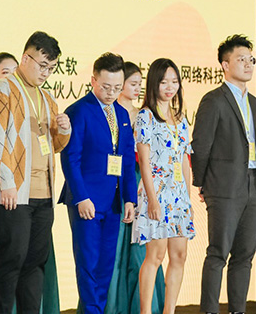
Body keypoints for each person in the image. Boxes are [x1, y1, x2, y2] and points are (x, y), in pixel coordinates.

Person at [0, 31, 71, 314]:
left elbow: (54, 146)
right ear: (25, 58)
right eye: (42, 65)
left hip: (43, 195)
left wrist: (65, 130)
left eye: (51, 68)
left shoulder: (47, 98)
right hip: (15, 194)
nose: (45, 73)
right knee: (10, 263)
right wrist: (6, 183)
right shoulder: (2, 89)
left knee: (35, 264)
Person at [60, 52, 138, 314]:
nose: (111, 93)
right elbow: (71, 159)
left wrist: (130, 198)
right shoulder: (79, 111)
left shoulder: (122, 114)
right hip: (87, 201)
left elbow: (127, 160)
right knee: (88, 264)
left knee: (106, 265)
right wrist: (81, 197)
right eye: (105, 87)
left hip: (114, 202)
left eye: (117, 87)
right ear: (93, 80)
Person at [191, 34, 256, 314]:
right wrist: (201, 182)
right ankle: (210, 310)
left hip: (254, 185)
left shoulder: (255, 103)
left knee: (245, 255)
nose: (248, 64)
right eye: (241, 59)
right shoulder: (214, 100)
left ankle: (237, 310)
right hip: (223, 186)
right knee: (218, 253)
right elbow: (201, 145)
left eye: (251, 59)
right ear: (225, 64)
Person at [132, 58, 195, 314]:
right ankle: (146, 311)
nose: (170, 87)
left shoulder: (180, 118)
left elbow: (184, 162)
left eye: (174, 81)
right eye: (164, 82)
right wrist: (153, 200)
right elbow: (144, 164)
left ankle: (170, 311)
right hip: (155, 193)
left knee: (179, 256)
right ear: (153, 84)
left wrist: (188, 200)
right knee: (155, 256)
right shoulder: (145, 116)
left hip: (178, 195)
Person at [106, 62, 166, 314]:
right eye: (133, 84)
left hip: (141, 179)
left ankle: (143, 306)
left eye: (140, 84)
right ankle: (114, 305)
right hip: (113, 180)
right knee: (115, 246)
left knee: (141, 247)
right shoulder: (109, 112)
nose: (137, 88)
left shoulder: (144, 114)